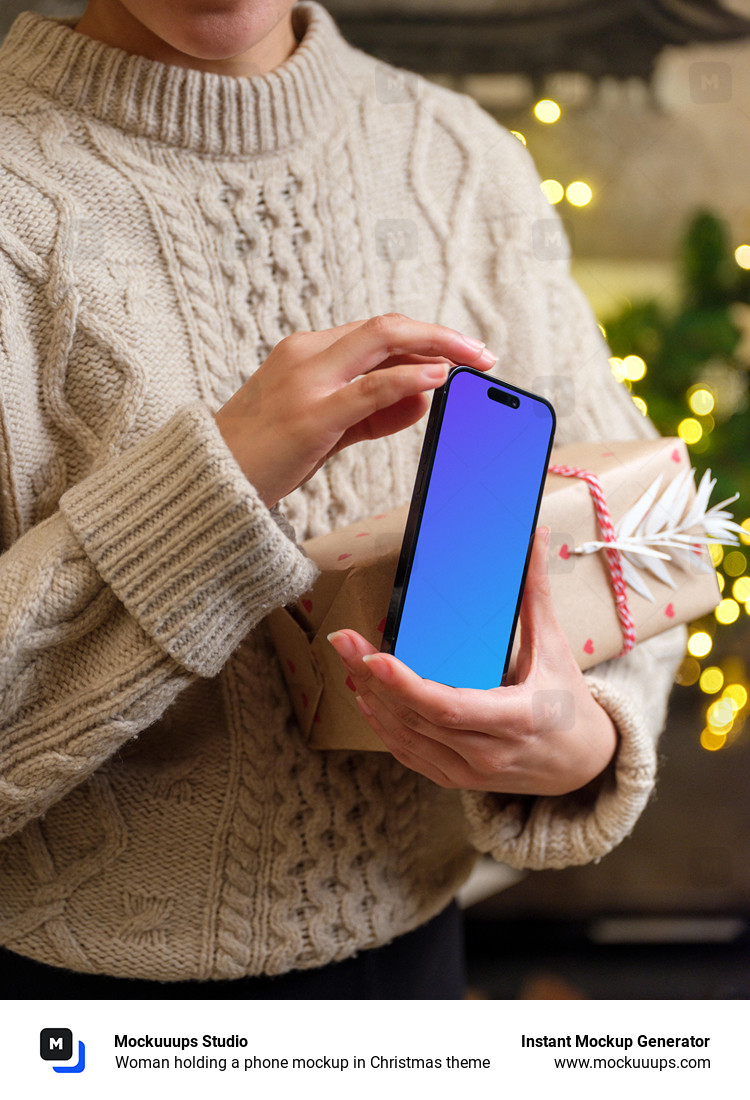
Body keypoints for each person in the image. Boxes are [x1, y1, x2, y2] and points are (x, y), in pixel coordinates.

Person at [0, 0, 685, 998]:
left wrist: (584, 738)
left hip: (415, 976)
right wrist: (215, 483)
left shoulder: (461, 159)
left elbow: (641, 538)